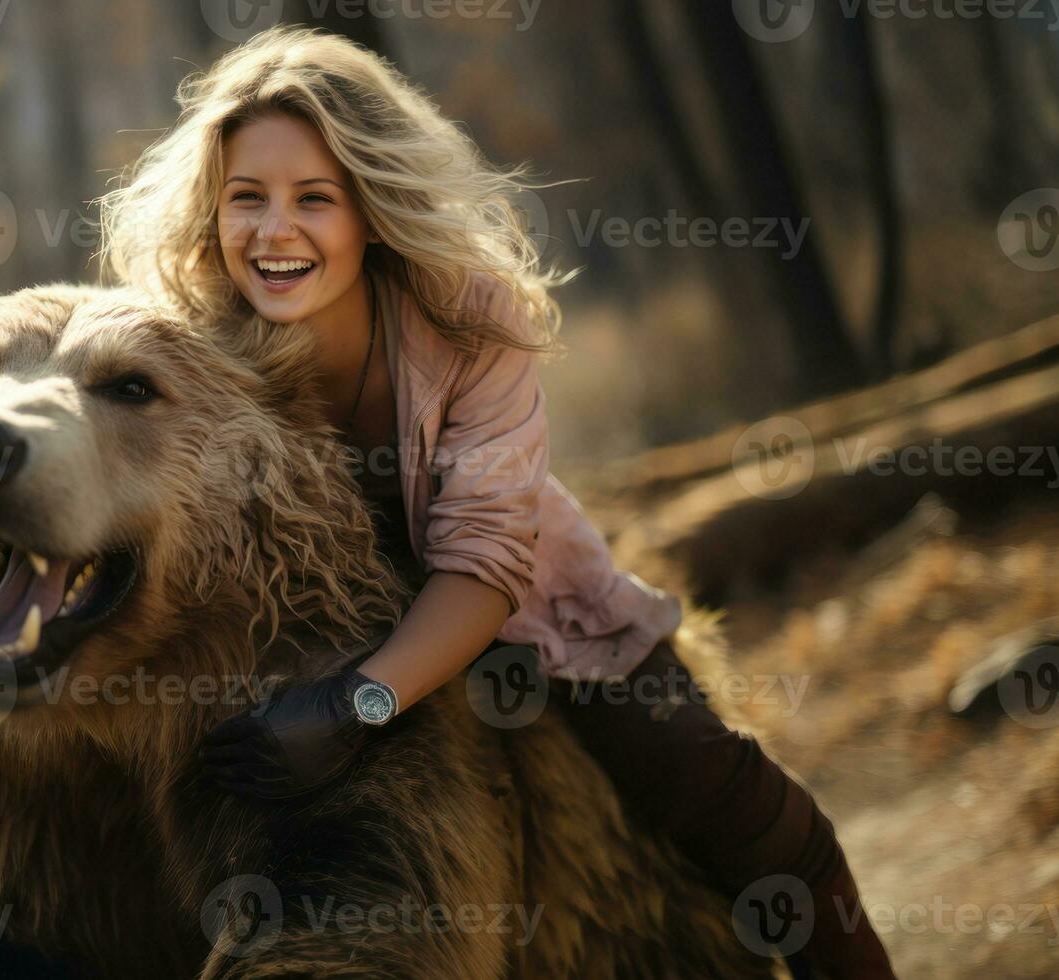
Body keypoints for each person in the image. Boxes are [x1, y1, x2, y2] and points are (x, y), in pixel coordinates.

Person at [93, 26, 895, 979]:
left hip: (528, 616)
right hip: (298, 636)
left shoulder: (470, 321)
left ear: (371, 209)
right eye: (245, 199)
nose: (273, 232)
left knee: (745, 816)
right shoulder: (194, 344)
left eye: (315, 198)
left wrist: (356, 705)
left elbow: (484, 562)